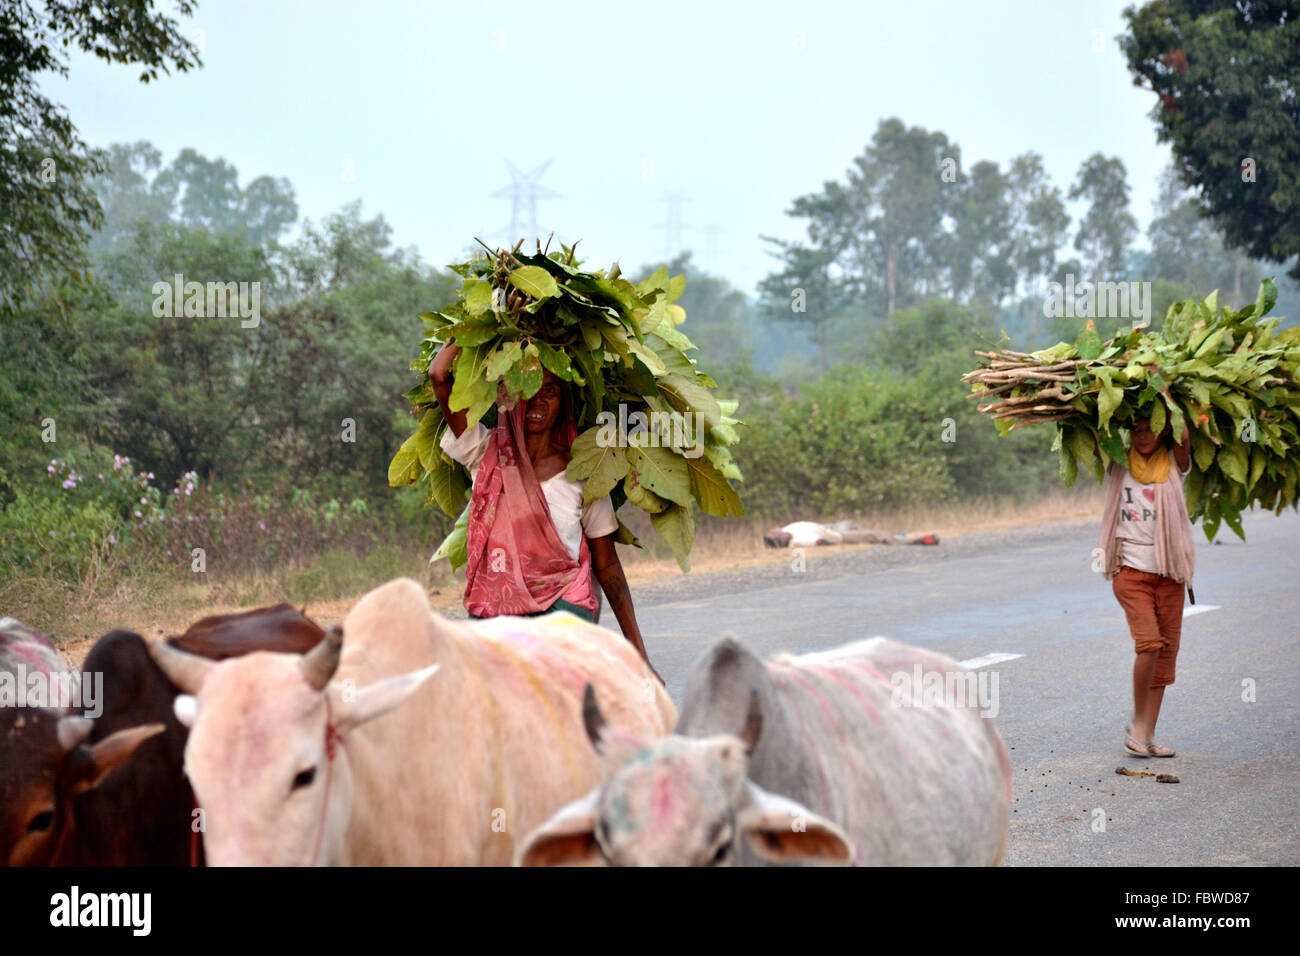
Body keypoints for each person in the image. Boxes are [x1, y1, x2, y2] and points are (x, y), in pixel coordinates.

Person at [429, 339, 662, 682]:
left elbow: (608, 566)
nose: (538, 398)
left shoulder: (583, 473)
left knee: (555, 697)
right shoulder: (485, 454)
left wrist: (638, 653)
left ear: (564, 402)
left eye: (551, 390)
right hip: (497, 607)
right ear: (508, 396)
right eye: (529, 385)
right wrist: (475, 330)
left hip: (565, 607)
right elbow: (439, 375)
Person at [1096, 414, 1196, 759]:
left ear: (1164, 428)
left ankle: (1148, 736)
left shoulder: (1174, 462)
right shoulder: (1118, 459)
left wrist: (1164, 390)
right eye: (1136, 429)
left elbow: (1184, 438)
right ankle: (1138, 726)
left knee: (1165, 655)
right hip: (1131, 572)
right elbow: (1094, 430)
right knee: (1149, 644)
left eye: (1150, 427)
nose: (1141, 436)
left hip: (1170, 575)